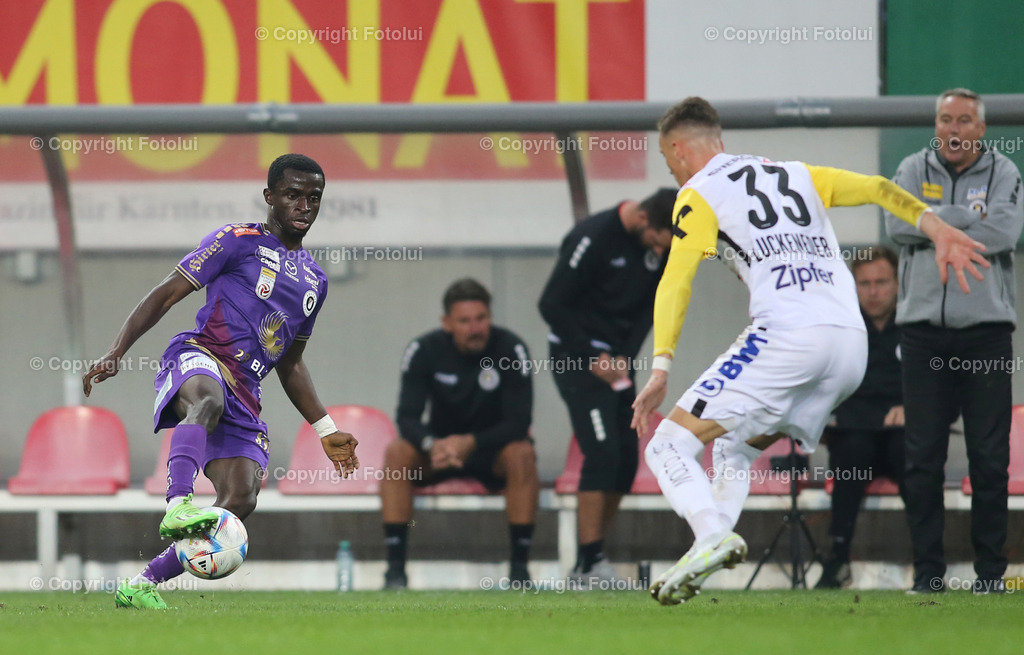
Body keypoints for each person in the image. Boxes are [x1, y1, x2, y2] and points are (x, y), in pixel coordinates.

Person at [630, 96, 988, 606]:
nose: (674, 170)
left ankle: (710, 534)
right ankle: (706, 551)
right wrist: (936, 226)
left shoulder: (697, 192)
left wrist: (660, 365)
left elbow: (675, 281)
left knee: (667, 445)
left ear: (679, 149)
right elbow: (878, 187)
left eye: (670, 161)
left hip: (790, 337)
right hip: (849, 348)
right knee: (735, 445)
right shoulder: (796, 173)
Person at [82, 154, 359, 609]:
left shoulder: (315, 281)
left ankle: (142, 584)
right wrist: (117, 351)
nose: (304, 205)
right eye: (292, 195)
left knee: (241, 498)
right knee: (206, 401)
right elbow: (168, 290)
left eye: (314, 198)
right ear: (269, 197)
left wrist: (325, 429)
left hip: (247, 393)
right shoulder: (237, 240)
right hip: (201, 356)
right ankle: (177, 504)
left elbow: (290, 363)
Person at [885, 88, 1024, 595]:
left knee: (990, 458)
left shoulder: (1005, 173)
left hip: (986, 334)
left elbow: (1006, 233)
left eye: (965, 121)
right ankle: (928, 575)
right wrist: (963, 220)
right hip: (922, 334)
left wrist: (935, 219)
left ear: (981, 130)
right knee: (922, 457)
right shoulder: (908, 167)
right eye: (946, 120)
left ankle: (990, 577)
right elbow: (895, 223)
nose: (954, 130)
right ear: (935, 124)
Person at [538, 189, 674, 582]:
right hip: (577, 360)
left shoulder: (659, 250)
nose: (658, 251)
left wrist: (624, 357)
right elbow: (551, 304)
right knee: (600, 453)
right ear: (645, 220)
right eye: (656, 241)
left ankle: (593, 557)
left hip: (616, 365)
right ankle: (586, 565)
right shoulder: (592, 237)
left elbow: (651, 308)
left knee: (625, 459)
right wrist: (589, 356)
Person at [381, 278, 537, 589]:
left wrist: (473, 442)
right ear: (447, 323)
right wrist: (432, 444)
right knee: (397, 453)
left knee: (522, 453)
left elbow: (518, 422)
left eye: (481, 319)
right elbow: (407, 416)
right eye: (465, 321)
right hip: (438, 453)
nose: (475, 328)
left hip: (492, 452)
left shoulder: (511, 348)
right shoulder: (423, 350)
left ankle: (520, 572)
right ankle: (395, 573)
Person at [816, 245, 906, 589]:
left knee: (913, 455)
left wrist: (912, 407)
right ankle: (838, 559)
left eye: (881, 282)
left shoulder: (917, 327)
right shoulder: (841, 328)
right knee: (852, 451)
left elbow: (943, 387)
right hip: (855, 435)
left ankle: (930, 562)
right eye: (864, 283)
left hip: (901, 435)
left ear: (898, 284)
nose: (873, 291)